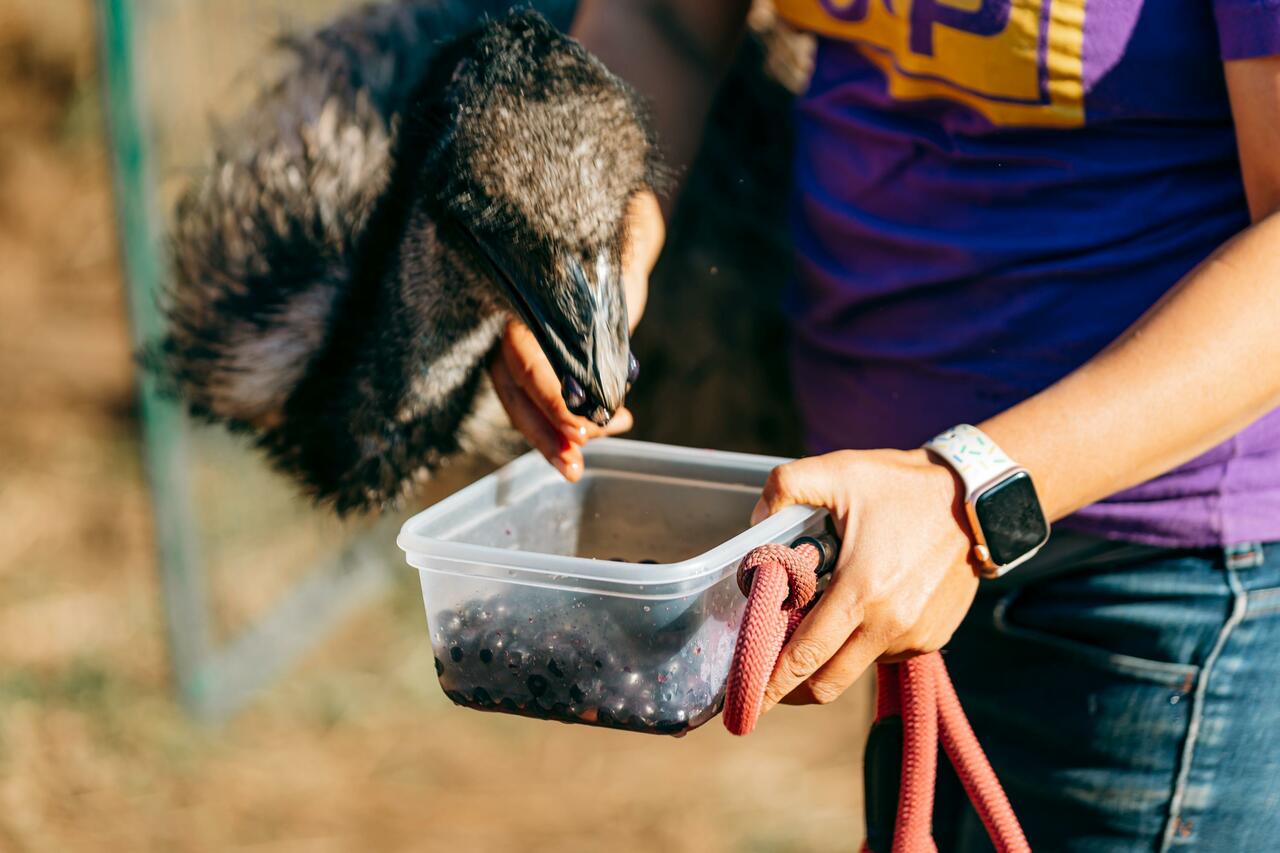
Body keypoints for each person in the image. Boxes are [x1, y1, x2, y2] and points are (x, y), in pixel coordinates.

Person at [487, 2, 1280, 849]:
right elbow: (664, 21)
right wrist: (583, 242)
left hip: (1156, 603)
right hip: (897, 556)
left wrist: (966, 491)